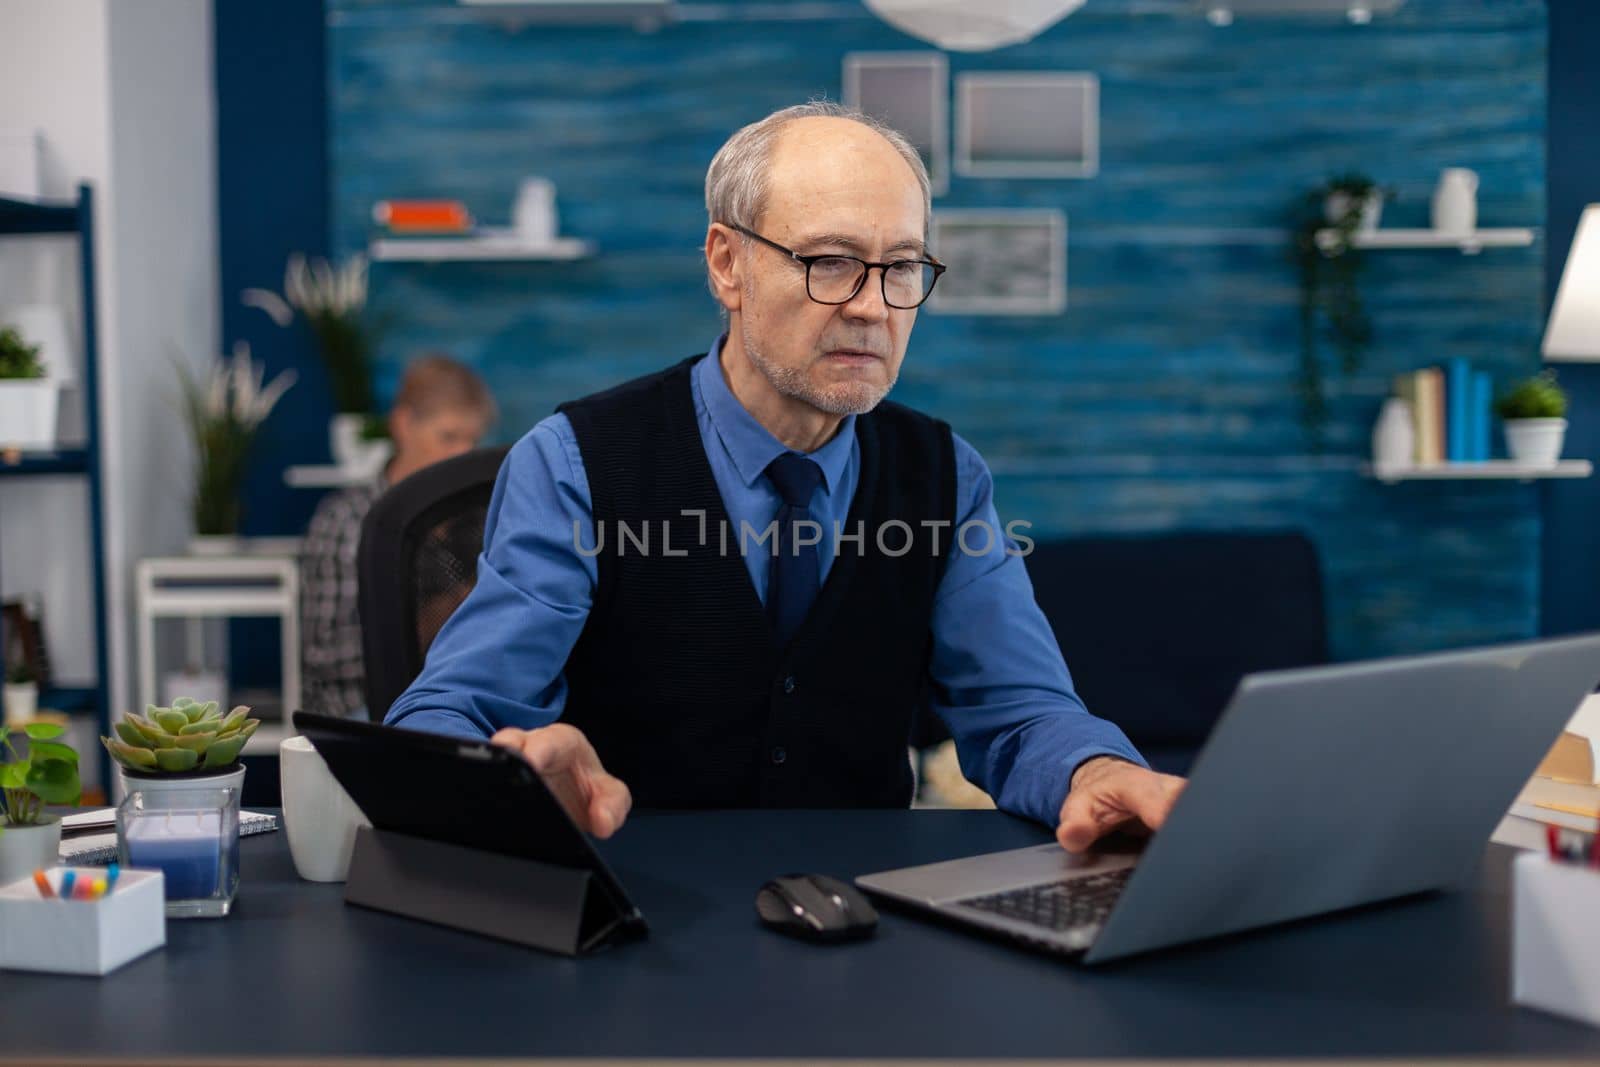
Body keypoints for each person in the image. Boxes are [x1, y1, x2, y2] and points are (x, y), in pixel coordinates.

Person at [385, 102, 1186, 851]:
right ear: (727, 265)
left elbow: (1020, 711)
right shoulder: (573, 463)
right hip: (634, 923)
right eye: (833, 262)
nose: (874, 307)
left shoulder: (946, 478)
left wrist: (1097, 770)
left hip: (870, 927)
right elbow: (448, 709)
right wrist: (508, 771)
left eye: (902, 267)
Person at [300, 354, 495, 718]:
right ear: (403, 424)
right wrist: (436, 617)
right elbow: (325, 655)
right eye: (449, 437)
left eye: (473, 440)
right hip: (361, 709)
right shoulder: (346, 520)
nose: (464, 455)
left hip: (459, 704)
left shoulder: (483, 522)